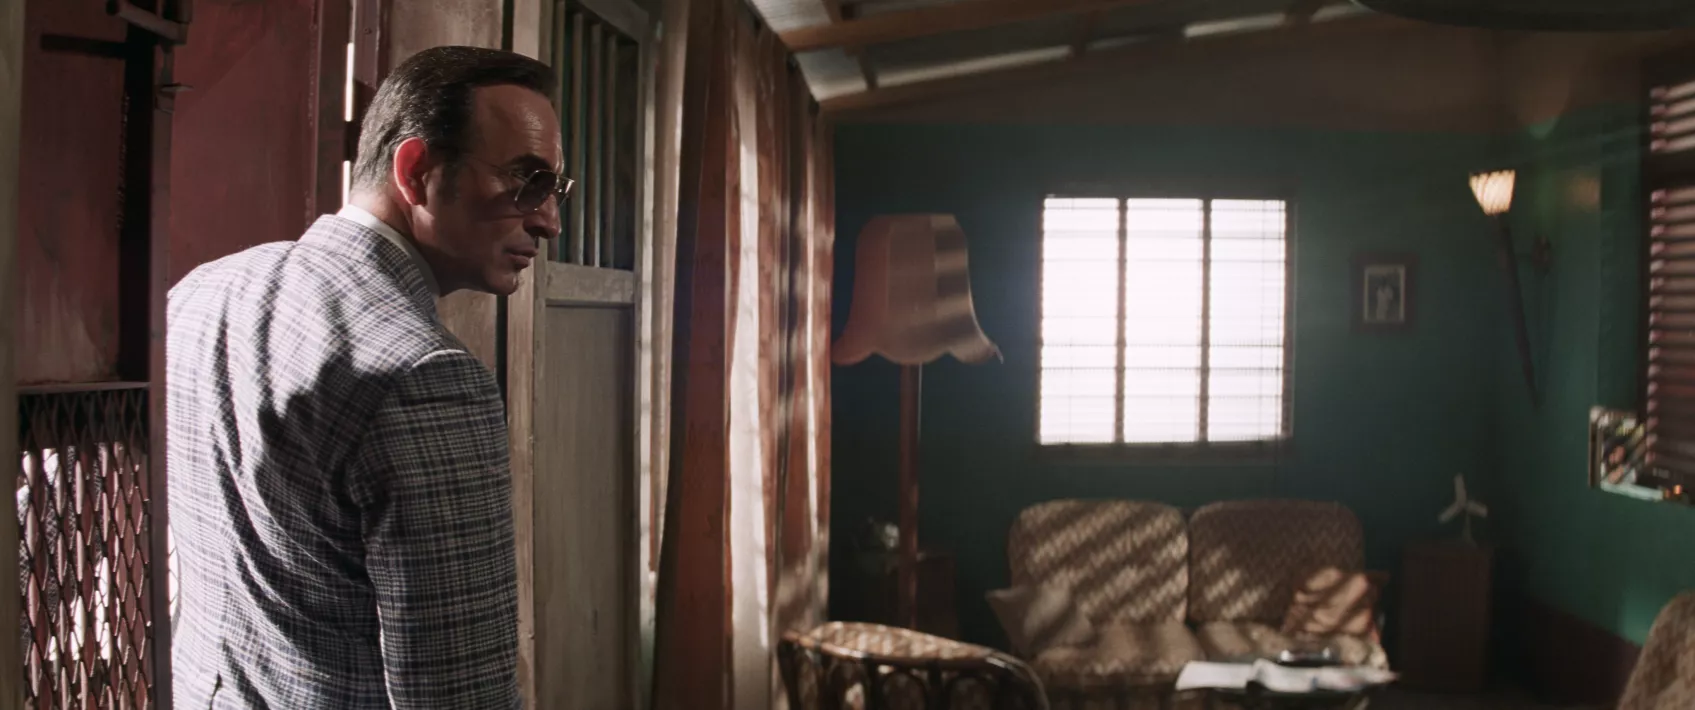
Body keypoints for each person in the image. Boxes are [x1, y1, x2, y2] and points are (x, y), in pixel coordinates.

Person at [166, 45, 565, 709]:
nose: (549, 220)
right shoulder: (427, 376)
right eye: (527, 182)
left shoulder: (203, 291)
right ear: (416, 172)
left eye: (554, 189)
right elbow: (460, 694)